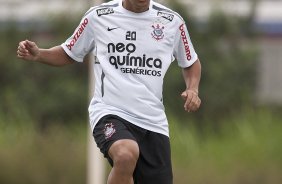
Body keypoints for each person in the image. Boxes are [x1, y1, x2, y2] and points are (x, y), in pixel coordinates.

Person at [17, 0, 201, 183]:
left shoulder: (171, 21)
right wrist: (39, 54)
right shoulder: (98, 16)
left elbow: (191, 62)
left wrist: (192, 89)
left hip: (153, 121)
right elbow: (69, 52)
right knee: (125, 154)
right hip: (110, 112)